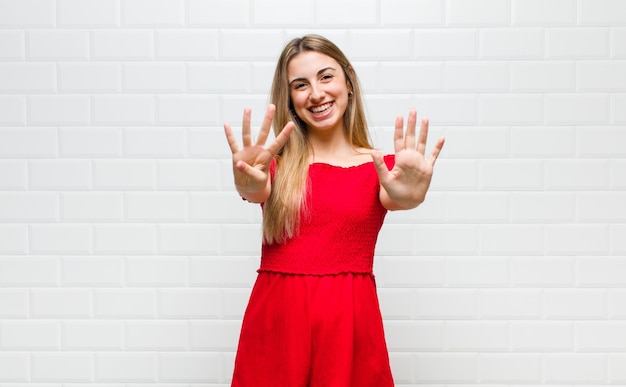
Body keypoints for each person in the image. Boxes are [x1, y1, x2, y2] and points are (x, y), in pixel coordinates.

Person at [223, 34, 445, 387]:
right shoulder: (272, 167)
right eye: (300, 84)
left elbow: (399, 197)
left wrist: (411, 194)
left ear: (348, 81)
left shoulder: (382, 169)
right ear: (290, 99)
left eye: (326, 76)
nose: (316, 93)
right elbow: (254, 188)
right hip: (277, 325)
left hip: (350, 327)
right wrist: (246, 183)